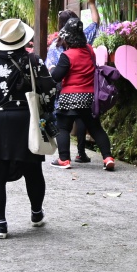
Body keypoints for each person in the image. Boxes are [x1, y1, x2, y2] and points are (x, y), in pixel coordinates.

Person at [0, 18, 57, 238]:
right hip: (24, 120)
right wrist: (45, 115)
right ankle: (36, 213)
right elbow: (49, 91)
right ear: (22, 40)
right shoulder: (33, 61)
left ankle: (0, 225)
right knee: (33, 170)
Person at [49, 18, 116, 171]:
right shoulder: (89, 49)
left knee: (63, 127)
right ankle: (108, 157)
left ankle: (64, 159)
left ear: (68, 37)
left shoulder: (68, 55)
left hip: (70, 96)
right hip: (89, 97)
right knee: (95, 128)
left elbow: (57, 77)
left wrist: (53, 70)